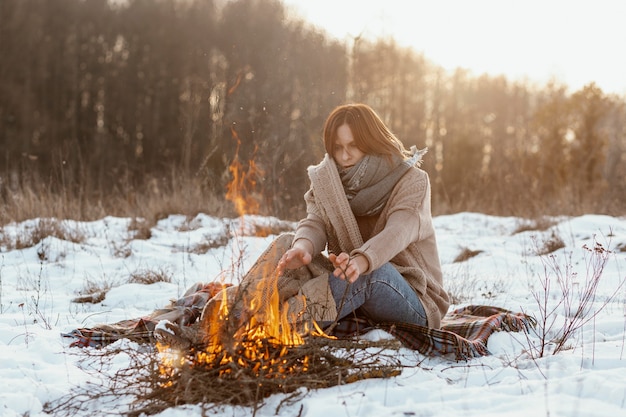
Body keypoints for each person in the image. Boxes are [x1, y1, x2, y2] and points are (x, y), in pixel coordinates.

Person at [274, 103, 450, 331]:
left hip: (415, 299)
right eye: (337, 148)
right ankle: (239, 310)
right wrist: (303, 247)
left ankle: (281, 326)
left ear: (371, 142)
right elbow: (315, 222)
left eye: (353, 146)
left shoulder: (412, 180)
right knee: (286, 244)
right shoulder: (327, 181)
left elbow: (398, 231)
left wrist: (362, 261)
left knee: (371, 273)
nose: (344, 156)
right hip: (350, 280)